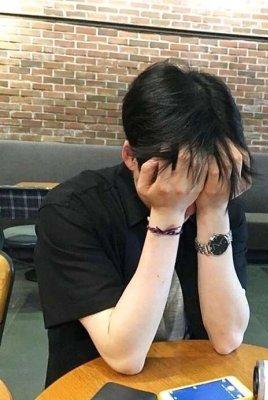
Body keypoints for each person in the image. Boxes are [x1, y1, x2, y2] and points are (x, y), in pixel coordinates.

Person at [34, 61, 254, 387]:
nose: (191, 189)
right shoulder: (73, 210)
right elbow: (124, 356)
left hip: (191, 380)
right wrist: (167, 215)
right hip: (97, 384)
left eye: (207, 173)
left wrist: (214, 213)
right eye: (177, 172)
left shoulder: (217, 200)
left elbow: (228, 337)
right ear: (130, 157)